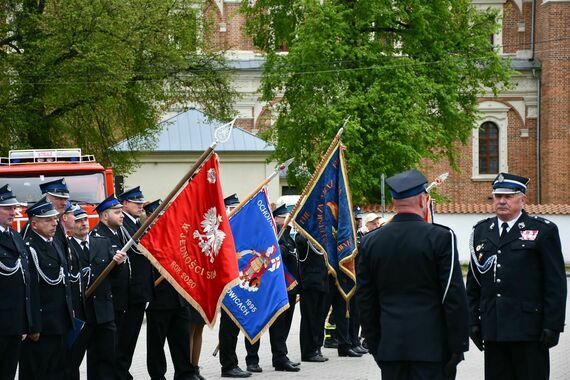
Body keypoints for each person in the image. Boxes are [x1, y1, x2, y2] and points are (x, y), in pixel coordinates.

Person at [357, 169, 469, 380]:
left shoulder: (371, 242)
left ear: (393, 201)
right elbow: (452, 295)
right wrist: (458, 345)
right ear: (422, 199)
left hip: (390, 346)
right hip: (432, 347)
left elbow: (365, 298)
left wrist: (374, 343)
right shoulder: (441, 238)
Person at [466, 173, 567, 380]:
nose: (502, 201)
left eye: (509, 196)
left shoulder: (542, 230)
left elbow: (555, 282)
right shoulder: (482, 231)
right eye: (497, 196)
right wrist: (472, 320)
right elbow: (474, 282)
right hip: (493, 328)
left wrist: (553, 324)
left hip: (529, 329)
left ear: (523, 199)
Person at [67, 206, 127, 379]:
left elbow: (114, 277)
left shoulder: (102, 242)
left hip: (103, 313)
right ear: (71, 225)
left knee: (106, 360)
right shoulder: (66, 246)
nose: (83, 224)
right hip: (80, 315)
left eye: (85, 220)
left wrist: (119, 264)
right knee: (72, 362)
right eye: (78, 221)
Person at [143, 199, 200, 380]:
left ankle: (185, 373)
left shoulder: (174, 236)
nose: (162, 218)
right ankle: (158, 375)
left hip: (179, 298)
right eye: (158, 215)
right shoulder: (146, 238)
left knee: (181, 340)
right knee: (156, 344)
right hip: (158, 299)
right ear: (150, 217)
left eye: (163, 214)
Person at [19, 197, 74, 380]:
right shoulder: (29, 248)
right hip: (42, 324)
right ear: (34, 223)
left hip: (59, 321)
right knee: (38, 371)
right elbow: (30, 290)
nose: (54, 223)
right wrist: (33, 324)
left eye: (55, 219)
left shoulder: (55, 243)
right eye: (48, 220)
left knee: (57, 371)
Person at [243, 204, 301, 373]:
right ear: (274, 219)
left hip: (283, 288)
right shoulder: (264, 235)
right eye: (283, 217)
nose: (286, 219)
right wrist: (277, 248)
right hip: (263, 288)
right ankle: (252, 360)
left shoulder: (287, 235)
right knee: (257, 323)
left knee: (280, 326)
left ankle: (280, 358)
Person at [0, 185, 39, 379]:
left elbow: (25, 282)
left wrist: (26, 322)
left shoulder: (15, 236)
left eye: (14, 208)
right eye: (7, 208)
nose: (14, 212)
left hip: (14, 324)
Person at [90, 194, 132, 378]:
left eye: (122, 212)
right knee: (105, 350)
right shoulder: (98, 236)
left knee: (120, 345)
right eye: (117, 212)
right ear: (105, 216)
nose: (122, 215)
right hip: (108, 301)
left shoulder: (119, 233)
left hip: (121, 300)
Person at [116, 187, 155, 379]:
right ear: (124, 204)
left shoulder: (139, 224)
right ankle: (121, 372)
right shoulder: (124, 227)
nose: (140, 205)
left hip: (141, 290)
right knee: (125, 336)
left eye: (141, 202)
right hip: (131, 291)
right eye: (135, 202)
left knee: (131, 337)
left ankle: (124, 370)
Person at [218, 194, 251, 378]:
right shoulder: (222, 229)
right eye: (232, 208)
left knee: (235, 325)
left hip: (238, 281)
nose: (235, 211)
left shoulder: (236, 229)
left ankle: (232, 363)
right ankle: (228, 365)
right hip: (227, 284)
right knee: (228, 326)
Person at [296, 231, 329, 363]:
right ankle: (308, 352)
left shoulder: (321, 236)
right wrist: (306, 232)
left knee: (320, 317)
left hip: (322, 282)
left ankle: (317, 347)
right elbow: (301, 243)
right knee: (309, 319)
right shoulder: (302, 237)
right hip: (309, 284)